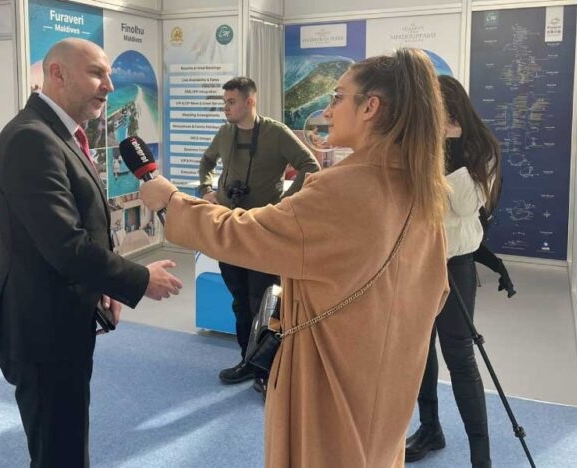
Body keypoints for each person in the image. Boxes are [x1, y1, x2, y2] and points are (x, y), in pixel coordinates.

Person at [140, 48, 450, 467]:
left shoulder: (341, 189)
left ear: (370, 108)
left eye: (338, 97)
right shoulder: (423, 188)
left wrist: (172, 202)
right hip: (389, 378)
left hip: (333, 373)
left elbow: (243, 234)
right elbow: (435, 291)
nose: (328, 110)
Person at [0, 38, 183, 468]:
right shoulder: (31, 139)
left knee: (67, 441)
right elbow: (65, 245)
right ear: (57, 74)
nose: (109, 85)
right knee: (60, 452)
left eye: (108, 74)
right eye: (96, 73)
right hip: (41, 329)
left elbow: (81, 225)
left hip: (62, 316)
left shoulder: (61, 134)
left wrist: (101, 286)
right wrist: (138, 279)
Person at [198, 76, 320, 396]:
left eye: (231, 102)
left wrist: (283, 204)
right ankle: (247, 361)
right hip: (230, 227)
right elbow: (207, 160)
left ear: (250, 102)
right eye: (224, 102)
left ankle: (268, 369)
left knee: (264, 302)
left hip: (264, 230)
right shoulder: (225, 133)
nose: (226, 108)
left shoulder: (275, 133)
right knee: (240, 300)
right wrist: (206, 188)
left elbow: (310, 165)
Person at [404, 75, 502, 468]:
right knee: (419, 350)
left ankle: (481, 456)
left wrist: (446, 146)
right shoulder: (417, 142)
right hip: (416, 260)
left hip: (455, 261)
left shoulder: (481, 146)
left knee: (459, 354)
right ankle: (430, 428)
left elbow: (463, 205)